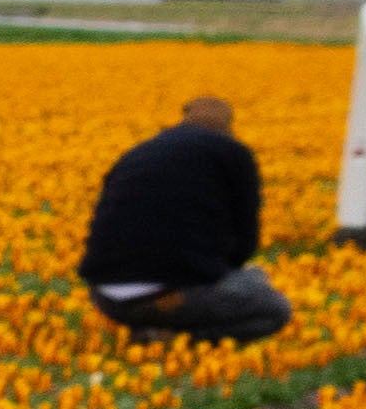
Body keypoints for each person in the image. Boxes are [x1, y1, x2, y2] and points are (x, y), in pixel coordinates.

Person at [81, 90, 287, 342]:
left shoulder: (140, 152)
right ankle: (177, 339)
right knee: (273, 307)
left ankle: (150, 329)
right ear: (228, 127)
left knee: (249, 279)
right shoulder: (233, 154)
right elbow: (245, 242)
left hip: (106, 297)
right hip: (174, 296)